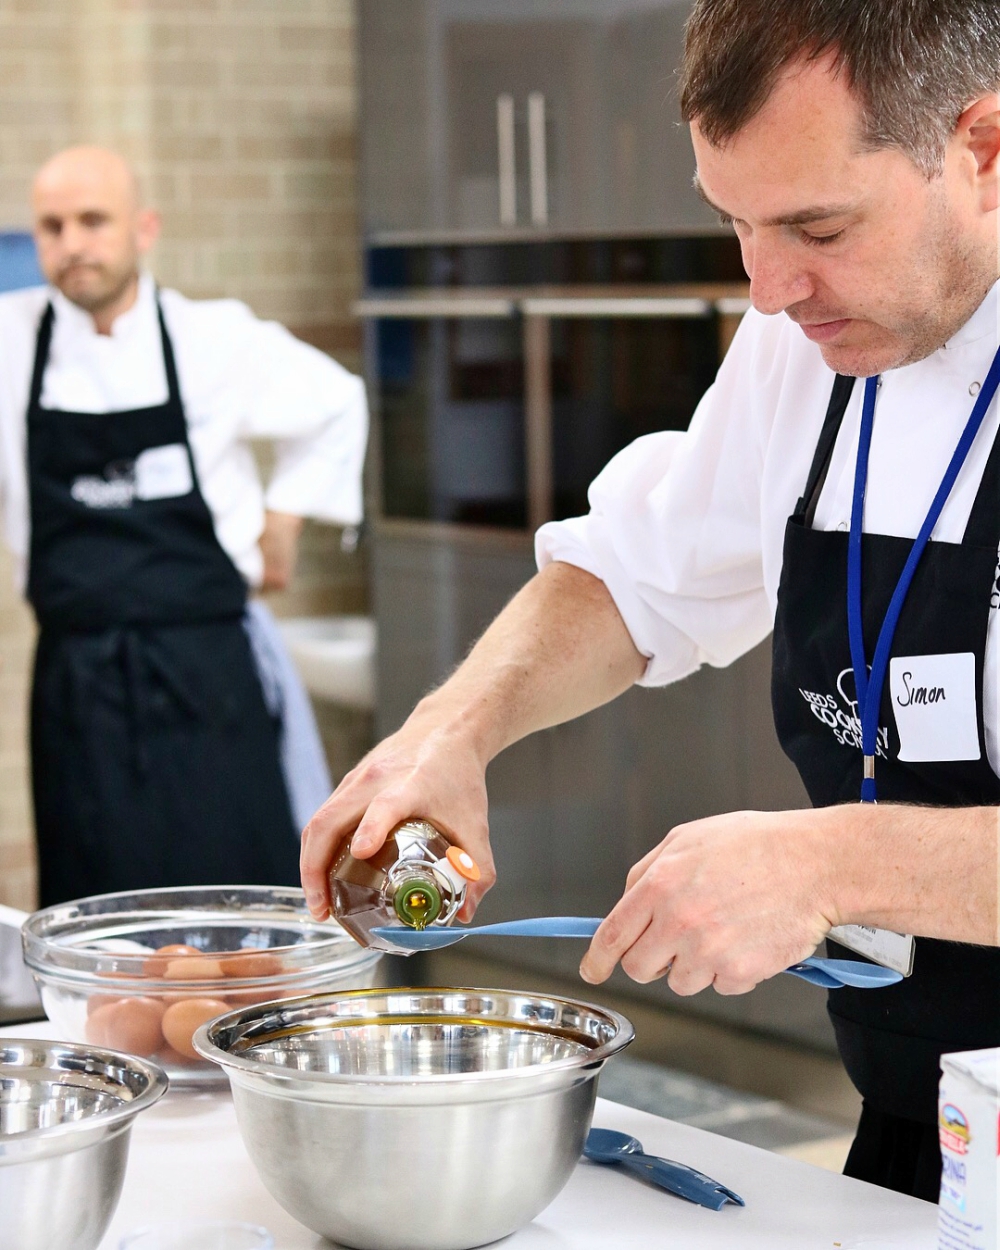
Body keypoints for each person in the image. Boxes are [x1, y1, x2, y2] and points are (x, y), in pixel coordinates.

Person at [301, 0, 1000, 1201]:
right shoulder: (811, 335)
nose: (768, 288)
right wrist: (449, 730)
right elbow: (639, 573)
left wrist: (831, 863)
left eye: (816, 225)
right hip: (924, 1125)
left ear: (982, 147)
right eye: (734, 221)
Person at [0, 146, 367, 907]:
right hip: (76, 685)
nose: (73, 244)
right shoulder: (10, 344)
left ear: (144, 228)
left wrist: (284, 519)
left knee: (240, 904)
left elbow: (338, 401)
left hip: (210, 675)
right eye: (53, 227)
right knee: (96, 912)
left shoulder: (213, 339)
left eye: (94, 221)